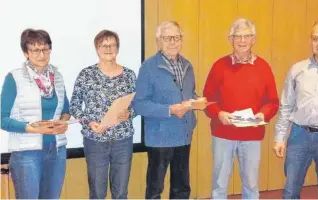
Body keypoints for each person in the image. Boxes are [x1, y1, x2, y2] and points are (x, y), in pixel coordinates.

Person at [203, 18, 279, 199]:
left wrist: (263, 114)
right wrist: (218, 114)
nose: (242, 40)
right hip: (223, 134)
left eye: (247, 36)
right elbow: (208, 100)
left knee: (251, 184)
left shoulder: (263, 67)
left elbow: (273, 101)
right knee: (219, 184)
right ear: (230, 39)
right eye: (238, 36)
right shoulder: (219, 66)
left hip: (252, 135)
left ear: (254, 39)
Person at [274, 19, 318, 199]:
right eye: (316, 39)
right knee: (290, 191)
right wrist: (279, 138)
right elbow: (286, 105)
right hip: (299, 136)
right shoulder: (297, 70)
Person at [133, 21, 205, 199]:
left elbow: (189, 93)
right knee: (155, 190)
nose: (173, 42)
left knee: (181, 189)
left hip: (184, 134)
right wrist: (170, 110)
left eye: (177, 37)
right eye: (168, 38)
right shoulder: (148, 67)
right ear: (159, 41)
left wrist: (196, 101)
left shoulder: (187, 65)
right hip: (160, 138)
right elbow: (139, 104)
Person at [0, 28, 70, 199]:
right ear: (26, 53)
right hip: (26, 152)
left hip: (57, 150)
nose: (41, 54)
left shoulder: (57, 76)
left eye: (45, 48)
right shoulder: (14, 78)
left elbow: (66, 110)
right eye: (35, 50)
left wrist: (62, 122)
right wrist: (34, 128)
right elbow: (2, 119)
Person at [69, 30, 136, 199]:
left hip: (123, 140)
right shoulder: (86, 74)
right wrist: (89, 122)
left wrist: (130, 113)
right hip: (95, 141)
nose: (108, 48)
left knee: (121, 192)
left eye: (112, 45)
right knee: (98, 193)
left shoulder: (129, 75)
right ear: (96, 49)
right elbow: (74, 106)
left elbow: (137, 103)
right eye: (103, 45)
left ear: (118, 48)